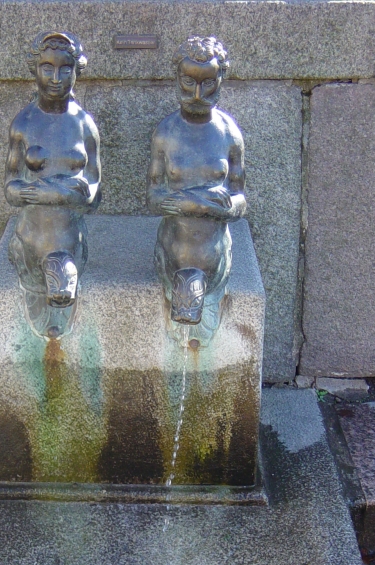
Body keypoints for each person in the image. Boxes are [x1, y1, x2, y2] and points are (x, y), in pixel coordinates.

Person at [147, 36, 246, 343]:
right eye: (189, 82)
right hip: (173, 251)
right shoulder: (165, 132)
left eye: (208, 83)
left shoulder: (229, 134)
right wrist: (194, 202)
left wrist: (225, 207)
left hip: (214, 254)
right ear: (177, 79)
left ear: (221, 79)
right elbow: (152, 198)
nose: (198, 94)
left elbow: (241, 199)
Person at [5, 31, 101, 338]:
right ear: (35, 70)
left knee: (62, 316)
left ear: (76, 71)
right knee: (40, 320)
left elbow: (95, 192)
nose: (56, 78)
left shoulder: (84, 125)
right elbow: (10, 188)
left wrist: (60, 193)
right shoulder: (24, 124)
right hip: (31, 239)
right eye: (47, 68)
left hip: (70, 240)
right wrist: (46, 193)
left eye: (65, 69)